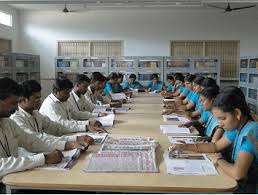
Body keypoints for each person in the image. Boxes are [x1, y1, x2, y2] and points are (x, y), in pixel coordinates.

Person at [169, 88, 258, 193]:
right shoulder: (238, 127)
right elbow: (215, 146)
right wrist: (184, 147)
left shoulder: (252, 132)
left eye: (223, 118)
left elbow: (238, 174)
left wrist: (219, 160)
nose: (220, 124)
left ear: (237, 113)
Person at [0, 78, 88, 180]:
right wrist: (43, 159)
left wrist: (67, 144)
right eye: (12, 103)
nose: (16, 108)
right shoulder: (15, 118)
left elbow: (32, 141)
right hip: (11, 178)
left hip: (14, 175)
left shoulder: (7, 122)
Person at [11, 80, 94, 147]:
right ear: (23, 99)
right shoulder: (16, 118)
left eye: (39, 97)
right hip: (32, 156)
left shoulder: (36, 113)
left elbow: (56, 127)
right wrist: (69, 142)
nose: (39, 101)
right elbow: (36, 139)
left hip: (47, 147)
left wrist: (78, 136)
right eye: (36, 98)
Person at [39, 77, 106, 133]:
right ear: (56, 92)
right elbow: (63, 124)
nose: (68, 96)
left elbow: (76, 114)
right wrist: (86, 125)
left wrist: (92, 119)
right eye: (66, 93)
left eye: (69, 93)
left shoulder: (64, 100)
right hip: (56, 136)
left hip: (67, 132)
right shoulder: (50, 105)